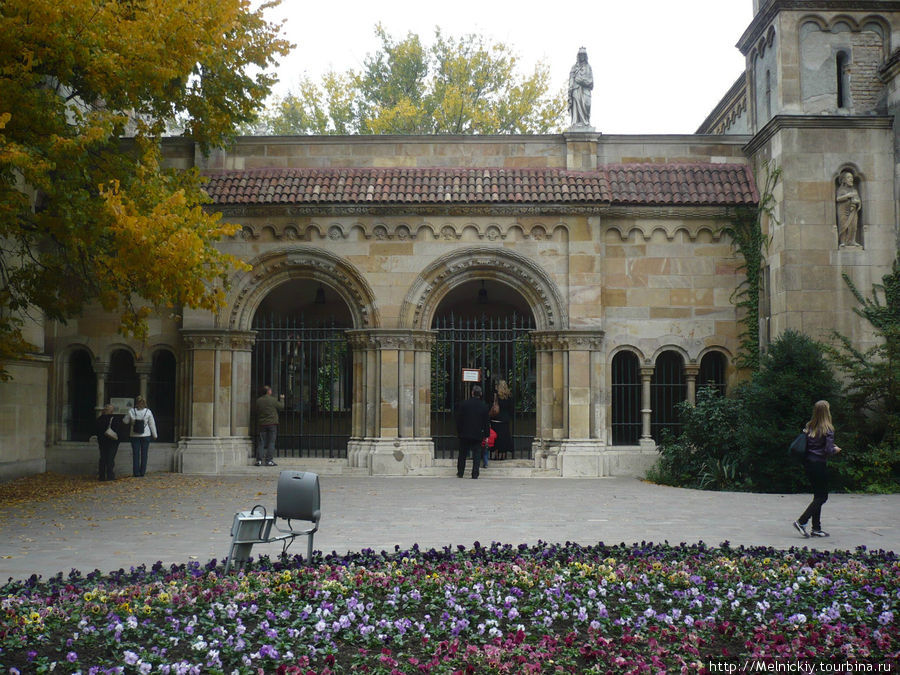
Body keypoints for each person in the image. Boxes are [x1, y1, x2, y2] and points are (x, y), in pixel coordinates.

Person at [793, 400, 842, 538]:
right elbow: (827, 449)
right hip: (819, 464)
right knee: (822, 497)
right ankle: (802, 521)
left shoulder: (809, 427)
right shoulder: (828, 429)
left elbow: (812, 445)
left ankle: (816, 528)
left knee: (817, 496)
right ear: (827, 412)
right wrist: (835, 449)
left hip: (809, 463)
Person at [456, 384, 490, 479]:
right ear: (481, 394)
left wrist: (459, 432)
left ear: (472, 393)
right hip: (477, 433)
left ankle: (460, 472)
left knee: (462, 454)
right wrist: (486, 434)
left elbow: (459, 420)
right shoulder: (484, 406)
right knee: (477, 454)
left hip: (464, 433)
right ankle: (475, 473)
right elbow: (486, 422)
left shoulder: (464, 404)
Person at [123, 396, 157, 478]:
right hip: (146, 434)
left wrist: (131, 420)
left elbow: (125, 421)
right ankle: (142, 472)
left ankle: (136, 473)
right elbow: (152, 424)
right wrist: (155, 435)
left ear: (136, 403)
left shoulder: (131, 411)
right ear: (144, 403)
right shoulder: (148, 411)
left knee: (135, 454)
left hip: (134, 435)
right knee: (144, 454)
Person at [255, 385, 284, 467]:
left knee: (261, 442)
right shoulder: (273, 400)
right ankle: (269, 460)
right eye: (270, 390)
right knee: (271, 442)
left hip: (262, 424)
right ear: (268, 392)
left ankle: (259, 460)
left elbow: (257, 410)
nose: (271, 391)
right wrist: (282, 399)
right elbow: (281, 407)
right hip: (272, 424)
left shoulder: (258, 401)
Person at [95, 404, 122, 481]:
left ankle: (102, 476)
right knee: (110, 458)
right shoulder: (115, 419)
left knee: (103, 458)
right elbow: (118, 430)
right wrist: (118, 440)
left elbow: (96, 430)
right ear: (112, 411)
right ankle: (110, 476)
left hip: (102, 441)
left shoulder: (99, 419)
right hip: (112, 441)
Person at [568, 47, 593, 129]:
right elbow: (571, 78)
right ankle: (576, 122)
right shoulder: (574, 67)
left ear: (585, 56)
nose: (582, 56)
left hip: (585, 90)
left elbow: (591, 82)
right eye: (580, 55)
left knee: (587, 105)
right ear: (578, 56)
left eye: (583, 55)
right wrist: (571, 86)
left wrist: (581, 81)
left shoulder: (588, 67)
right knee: (576, 105)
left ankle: (585, 122)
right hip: (576, 89)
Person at [491, 380, 514, 460]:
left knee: (496, 438)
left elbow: (493, 406)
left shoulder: (496, 396)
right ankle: (503, 455)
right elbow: (511, 409)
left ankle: (496, 454)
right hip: (505, 420)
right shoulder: (509, 397)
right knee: (504, 437)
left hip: (496, 419)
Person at [836, 171, 861, 246]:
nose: (851, 179)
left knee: (853, 226)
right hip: (843, 211)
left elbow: (858, 200)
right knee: (843, 225)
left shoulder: (854, 190)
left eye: (852, 177)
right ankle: (843, 241)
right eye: (848, 177)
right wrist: (848, 195)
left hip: (852, 211)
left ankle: (852, 241)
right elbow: (838, 199)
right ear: (844, 180)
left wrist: (857, 202)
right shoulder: (841, 190)